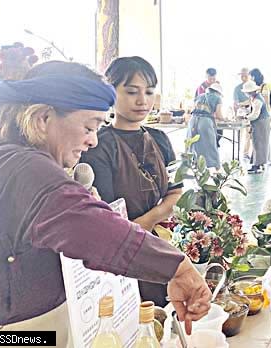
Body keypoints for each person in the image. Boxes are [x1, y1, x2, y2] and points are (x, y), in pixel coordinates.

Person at [0, 61, 210, 342]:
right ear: (43, 119)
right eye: (89, 127)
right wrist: (178, 268)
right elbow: (94, 229)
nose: (92, 141)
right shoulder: (28, 169)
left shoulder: (2, 150)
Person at [80, 57, 184, 307]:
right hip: (122, 253)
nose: (143, 101)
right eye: (131, 91)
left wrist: (146, 222)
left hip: (159, 242)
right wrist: (140, 230)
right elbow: (105, 213)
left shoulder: (160, 139)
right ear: (111, 92)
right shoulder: (98, 145)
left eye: (149, 92)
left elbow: (177, 193)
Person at [188, 83, 225, 168]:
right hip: (205, 122)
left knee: (195, 144)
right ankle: (214, 167)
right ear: (218, 92)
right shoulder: (218, 98)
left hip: (193, 120)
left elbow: (193, 109)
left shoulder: (200, 96)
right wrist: (225, 119)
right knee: (210, 145)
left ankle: (196, 165)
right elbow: (219, 114)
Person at [241, 80, 271, 174]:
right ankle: (257, 164)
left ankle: (257, 165)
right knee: (257, 143)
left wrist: (245, 116)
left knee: (259, 144)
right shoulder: (254, 98)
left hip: (261, 122)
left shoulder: (257, 100)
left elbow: (255, 115)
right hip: (260, 122)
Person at [233, 67, 253, 160]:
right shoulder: (237, 88)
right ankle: (237, 151)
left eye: (245, 75)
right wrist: (236, 112)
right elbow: (235, 103)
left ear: (249, 76)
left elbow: (252, 101)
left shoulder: (253, 86)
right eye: (242, 75)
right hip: (240, 113)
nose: (243, 77)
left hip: (251, 113)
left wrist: (243, 104)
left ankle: (246, 153)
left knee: (248, 134)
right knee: (239, 133)